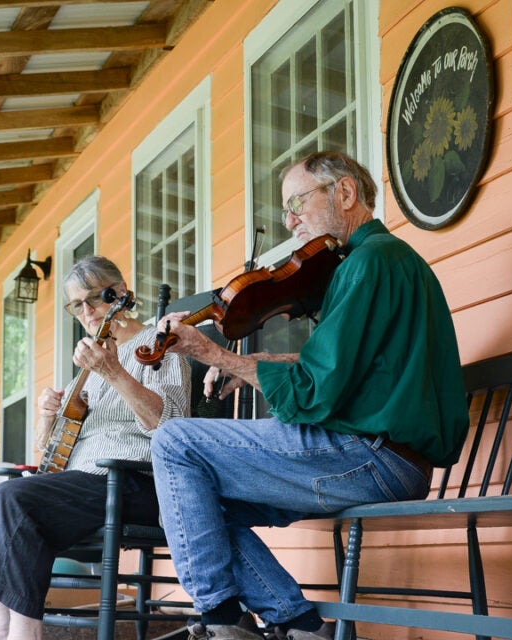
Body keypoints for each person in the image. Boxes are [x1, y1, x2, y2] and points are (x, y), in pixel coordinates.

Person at [151, 151, 469, 640]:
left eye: (297, 201)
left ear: (345, 193)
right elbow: (345, 372)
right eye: (285, 209)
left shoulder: (369, 264)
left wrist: (215, 355)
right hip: (385, 456)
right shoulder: (383, 262)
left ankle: (221, 621)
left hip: (371, 458)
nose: (289, 219)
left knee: (174, 442)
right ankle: (300, 625)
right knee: (196, 506)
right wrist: (252, 367)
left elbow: (315, 393)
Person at [0, 256, 191, 640]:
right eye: (75, 305)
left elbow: (171, 425)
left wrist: (115, 373)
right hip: (80, 483)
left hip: (133, 481)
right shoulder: (89, 365)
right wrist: (44, 417)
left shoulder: (160, 342)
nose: (85, 312)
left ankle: (26, 628)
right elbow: (50, 450)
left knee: (12, 499)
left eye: (93, 299)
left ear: (119, 294)